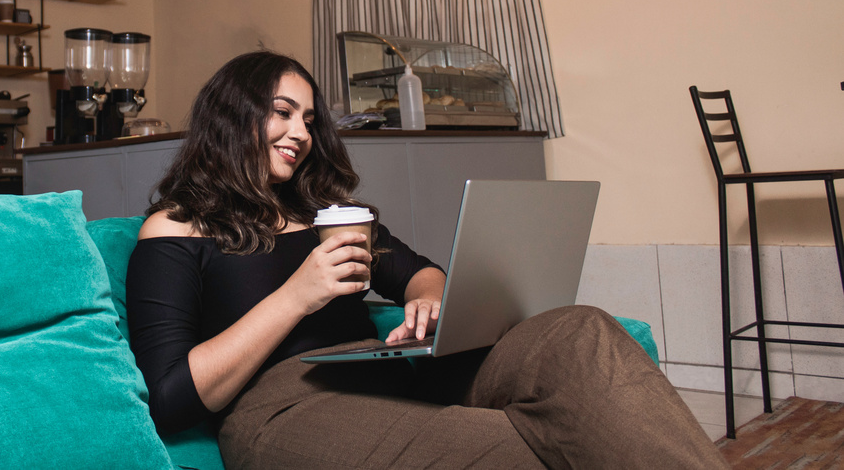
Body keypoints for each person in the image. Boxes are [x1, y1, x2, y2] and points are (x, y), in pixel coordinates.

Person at [126, 51, 726, 469]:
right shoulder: (177, 228)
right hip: (285, 408)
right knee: (537, 445)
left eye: (309, 119)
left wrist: (428, 298)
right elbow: (171, 396)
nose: (302, 132)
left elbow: (420, 269)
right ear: (231, 116)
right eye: (282, 112)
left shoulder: (328, 213)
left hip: (395, 377)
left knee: (581, 329)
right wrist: (296, 295)